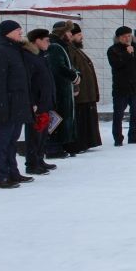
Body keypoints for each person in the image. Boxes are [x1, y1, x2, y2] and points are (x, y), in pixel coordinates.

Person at [0, 20, 33, 188]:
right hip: (6, 105)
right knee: (2, 142)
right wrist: (1, 107)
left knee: (12, 141)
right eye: (18, 30)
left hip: (18, 104)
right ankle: (0, 177)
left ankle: (13, 172)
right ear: (8, 32)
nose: (21, 32)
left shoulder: (14, 49)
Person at [22, 28, 57, 175]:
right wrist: (33, 101)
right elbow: (28, 82)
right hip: (37, 102)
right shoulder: (29, 57)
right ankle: (32, 163)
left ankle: (39, 159)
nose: (49, 43)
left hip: (45, 101)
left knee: (42, 134)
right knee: (34, 134)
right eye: (46, 40)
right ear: (37, 40)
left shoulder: (41, 56)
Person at [66, 23, 102, 153]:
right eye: (79, 35)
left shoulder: (76, 50)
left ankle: (86, 142)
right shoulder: (70, 50)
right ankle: (80, 143)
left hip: (86, 94)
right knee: (81, 121)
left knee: (87, 120)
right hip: (81, 95)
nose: (82, 37)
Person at [47, 21, 81, 158]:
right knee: (58, 117)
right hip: (59, 89)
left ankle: (60, 145)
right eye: (68, 32)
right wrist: (74, 77)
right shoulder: (55, 47)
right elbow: (59, 67)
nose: (70, 34)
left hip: (63, 88)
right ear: (62, 32)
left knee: (62, 117)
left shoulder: (61, 46)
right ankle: (54, 147)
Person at [108, 26, 136, 146]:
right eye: (124, 37)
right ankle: (118, 137)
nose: (127, 39)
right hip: (121, 88)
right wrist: (127, 54)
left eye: (129, 36)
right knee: (118, 114)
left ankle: (133, 135)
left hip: (135, 87)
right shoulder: (113, 50)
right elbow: (117, 64)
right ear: (118, 38)